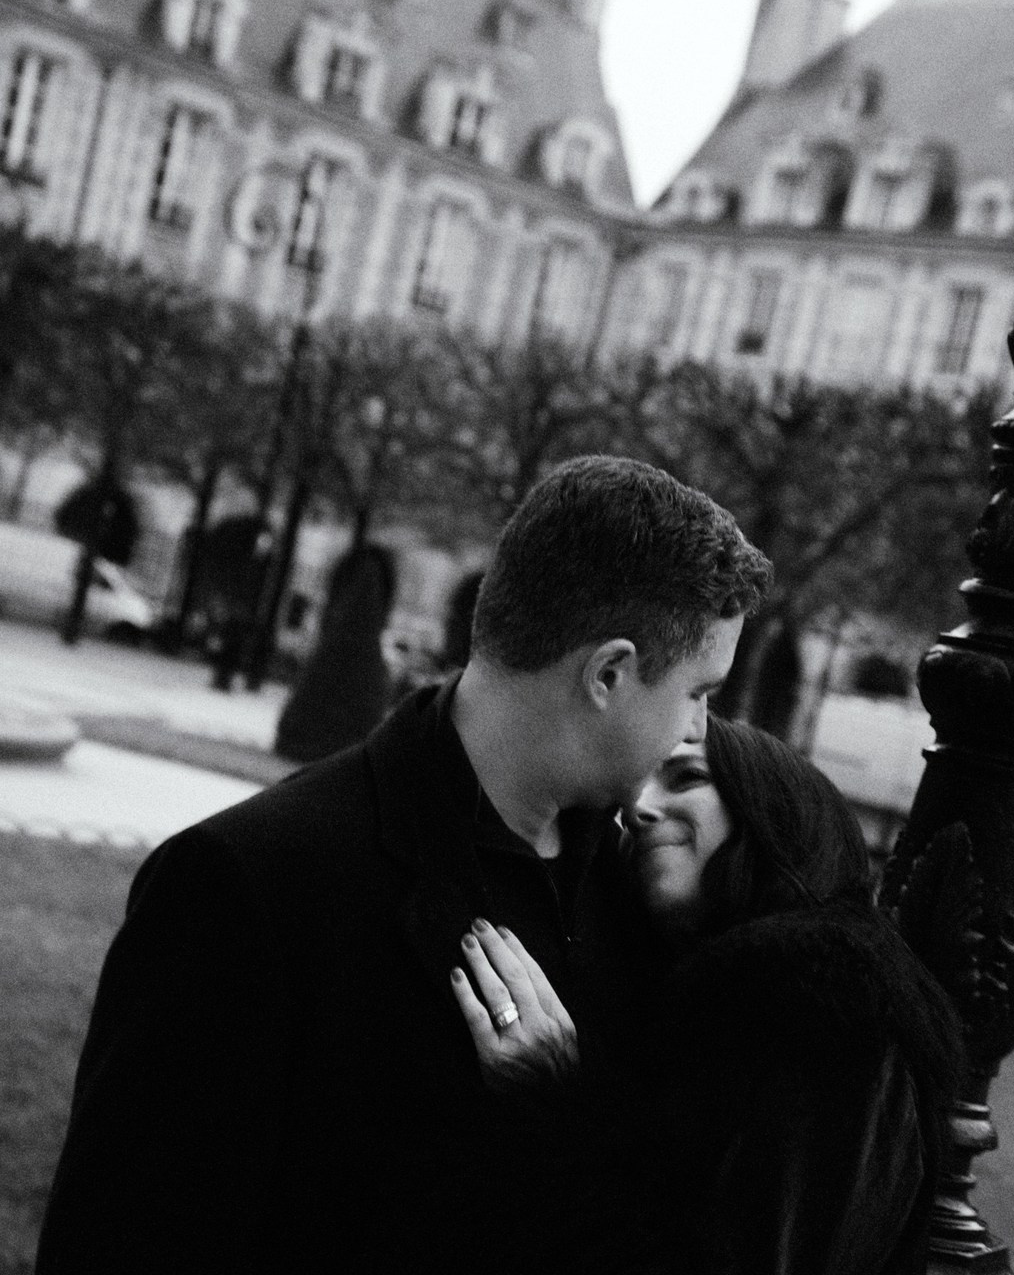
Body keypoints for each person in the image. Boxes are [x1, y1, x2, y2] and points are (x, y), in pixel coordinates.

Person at [36, 455, 772, 1275]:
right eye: (699, 692)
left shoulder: (642, 892)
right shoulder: (249, 884)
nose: (700, 728)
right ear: (609, 674)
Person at [455, 713, 963, 1274]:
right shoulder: (719, 1000)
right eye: (633, 793)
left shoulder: (828, 1001)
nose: (639, 809)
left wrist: (551, 1097)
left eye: (687, 778)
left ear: (775, 808)